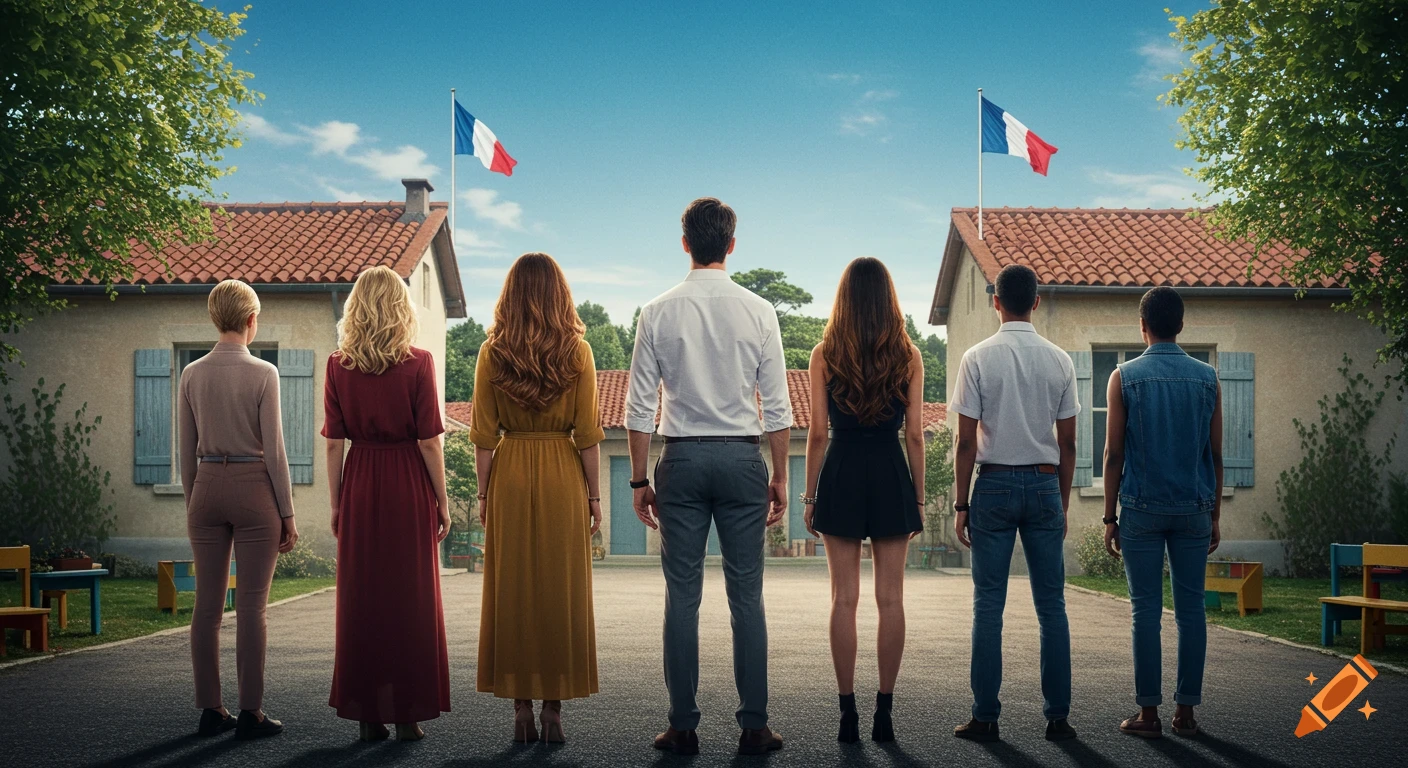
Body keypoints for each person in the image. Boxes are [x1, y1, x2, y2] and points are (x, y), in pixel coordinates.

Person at [626, 197, 792, 756]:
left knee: (683, 597)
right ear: (732, 244)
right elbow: (777, 408)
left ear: (685, 244)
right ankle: (753, 725)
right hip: (744, 459)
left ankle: (683, 724)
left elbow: (637, 407)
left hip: (683, 460)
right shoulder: (760, 310)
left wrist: (637, 479)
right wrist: (780, 478)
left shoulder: (656, 311)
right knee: (747, 597)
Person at [471, 252, 605, 743]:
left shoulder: (492, 351)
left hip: (510, 473)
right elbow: (588, 434)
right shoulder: (578, 351)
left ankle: (520, 709)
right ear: (559, 294)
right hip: (562, 473)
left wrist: (484, 494)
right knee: (559, 590)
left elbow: (484, 434)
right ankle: (554, 710)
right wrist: (594, 497)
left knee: (512, 590)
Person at [950, 263, 1078, 743]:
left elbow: (966, 444)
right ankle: (1058, 717)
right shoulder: (1060, 360)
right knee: (1052, 606)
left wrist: (961, 505)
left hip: (995, 486)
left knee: (988, 606)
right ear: (1037, 302)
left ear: (995, 301)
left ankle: (985, 716)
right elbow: (1068, 444)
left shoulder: (977, 357)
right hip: (1045, 485)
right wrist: (1060, 503)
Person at [323, 266, 451, 741]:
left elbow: (334, 444)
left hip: (359, 480)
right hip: (406, 485)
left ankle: (367, 715)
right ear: (401, 308)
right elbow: (430, 443)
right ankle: (406, 714)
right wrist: (442, 502)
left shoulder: (338, 365)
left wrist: (337, 504)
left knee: (362, 599)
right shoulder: (418, 362)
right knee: (408, 599)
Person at [802, 257, 925, 743]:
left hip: (843, 470)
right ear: (888, 298)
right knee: (891, 599)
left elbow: (815, 433)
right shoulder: (909, 354)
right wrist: (916, 497)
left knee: (843, 599)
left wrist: (810, 495)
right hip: (890, 471)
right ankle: (885, 714)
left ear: (844, 299)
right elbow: (914, 436)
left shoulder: (824, 354)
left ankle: (847, 713)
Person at [179, 279, 299, 740]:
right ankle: (251, 713)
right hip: (254, 491)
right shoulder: (264, 373)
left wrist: (195, 501)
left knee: (206, 608)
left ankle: (210, 708)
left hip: (207, 484)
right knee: (251, 607)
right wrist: (286, 512)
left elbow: (185, 450)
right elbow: (276, 451)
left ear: (215, 318)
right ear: (252, 320)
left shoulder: (191, 374)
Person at [1102, 286, 1222, 739]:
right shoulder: (1208, 378)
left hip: (1141, 509)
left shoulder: (1123, 377)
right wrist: (1212, 514)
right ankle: (1186, 713)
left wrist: (1109, 516)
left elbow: (1114, 453)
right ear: (1182, 326)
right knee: (1192, 611)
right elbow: (1216, 454)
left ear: (1142, 325)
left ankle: (1148, 715)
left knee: (1145, 611)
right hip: (1193, 507)